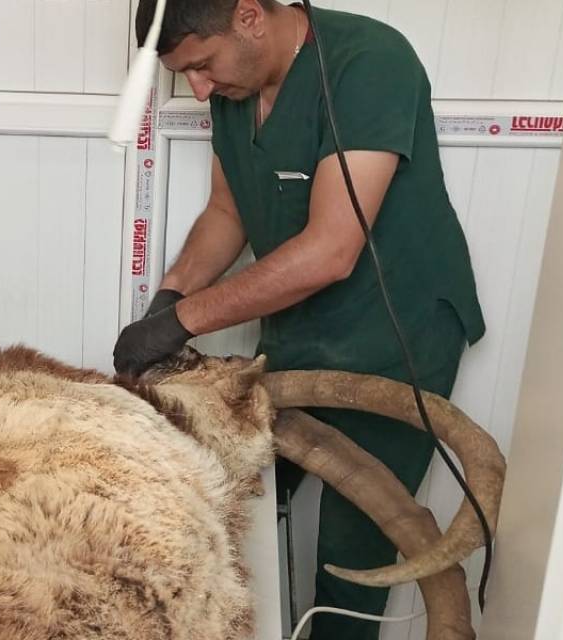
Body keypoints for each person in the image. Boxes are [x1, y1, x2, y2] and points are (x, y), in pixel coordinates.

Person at [112, 1, 485, 637]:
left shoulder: (368, 63)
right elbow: (227, 214)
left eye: (201, 66)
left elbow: (331, 251)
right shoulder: (237, 86)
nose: (200, 91)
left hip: (394, 334)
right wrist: (170, 298)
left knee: (353, 551)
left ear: (250, 16)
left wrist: (184, 324)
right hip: (298, 328)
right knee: (224, 508)